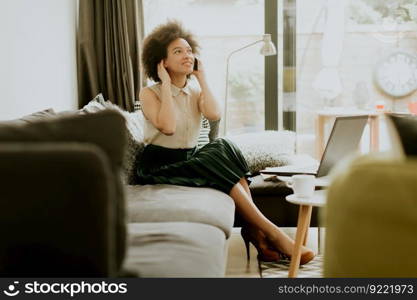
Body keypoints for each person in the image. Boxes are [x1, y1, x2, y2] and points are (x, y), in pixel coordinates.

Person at [138, 20, 315, 264]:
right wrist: (166, 85)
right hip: (159, 165)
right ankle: (270, 233)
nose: (187, 55)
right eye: (178, 51)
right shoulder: (150, 93)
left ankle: (256, 231)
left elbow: (213, 115)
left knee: (224, 146)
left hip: (189, 159)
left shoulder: (195, 91)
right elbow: (167, 127)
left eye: (189, 50)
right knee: (214, 158)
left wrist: (202, 78)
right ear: (162, 61)